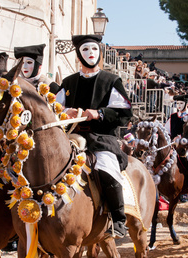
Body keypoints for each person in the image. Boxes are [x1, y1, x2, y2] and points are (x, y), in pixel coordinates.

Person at [56, 34, 132, 238]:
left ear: (99, 53)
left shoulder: (111, 80)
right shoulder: (68, 82)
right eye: (86, 50)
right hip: (70, 137)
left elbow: (125, 114)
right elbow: (54, 109)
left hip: (101, 138)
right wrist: (65, 113)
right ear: (79, 55)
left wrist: (98, 113)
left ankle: (118, 220)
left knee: (106, 166)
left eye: (94, 49)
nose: (91, 53)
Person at [164, 95, 188, 189]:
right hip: (174, 146)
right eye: (177, 103)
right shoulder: (173, 116)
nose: (179, 105)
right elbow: (166, 130)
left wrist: (182, 137)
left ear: (186, 104)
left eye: (181, 103)